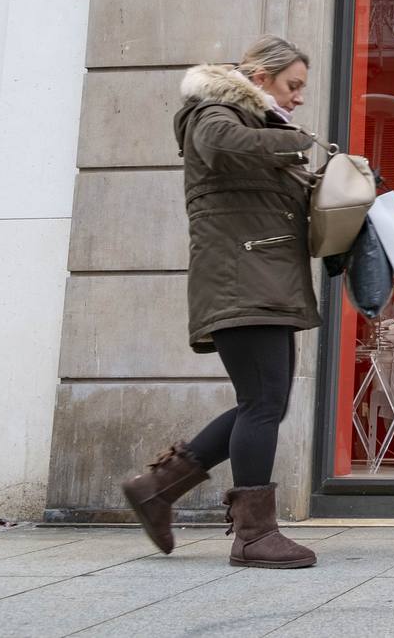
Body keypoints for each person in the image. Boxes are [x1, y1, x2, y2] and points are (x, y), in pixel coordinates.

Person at [120, 36, 320, 569]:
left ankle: (157, 489)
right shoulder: (213, 111)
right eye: (292, 84)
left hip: (262, 277)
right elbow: (220, 141)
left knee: (265, 402)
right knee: (262, 403)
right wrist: (296, 140)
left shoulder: (254, 123)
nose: (299, 96)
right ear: (259, 76)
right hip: (241, 278)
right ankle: (253, 535)